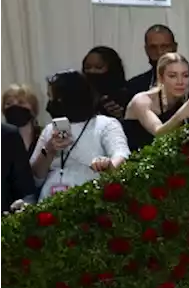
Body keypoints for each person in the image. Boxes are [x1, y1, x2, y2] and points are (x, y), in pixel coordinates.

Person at [28, 70, 128, 200]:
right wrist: (49, 150)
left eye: (54, 98)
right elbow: (36, 176)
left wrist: (108, 164)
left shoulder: (105, 124)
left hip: (91, 199)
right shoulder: (50, 129)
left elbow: (121, 154)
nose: (51, 103)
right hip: (51, 202)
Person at [124, 52, 189, 146]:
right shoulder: (142, 101)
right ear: (161, 78)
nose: (180, 82)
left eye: (185, 75)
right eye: (172, 76)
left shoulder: (187, 100)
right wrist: (182, 114)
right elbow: (158, 133)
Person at [123, 24, 179, 100]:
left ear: (174, 47)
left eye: (165, 46)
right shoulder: (134, 86)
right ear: (146, 50)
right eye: (153, 47)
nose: (159, 52)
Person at [80, 46, 130, 120]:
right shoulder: (79, 94)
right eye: (87, 67)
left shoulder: (127, 95)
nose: (92, 71)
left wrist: (120, 116)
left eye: (98, 67)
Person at [2, 84, 42, 157]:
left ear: (33, 108)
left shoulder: (44, 135)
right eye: (9, 103)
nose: (14, 106)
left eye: (21, 102)